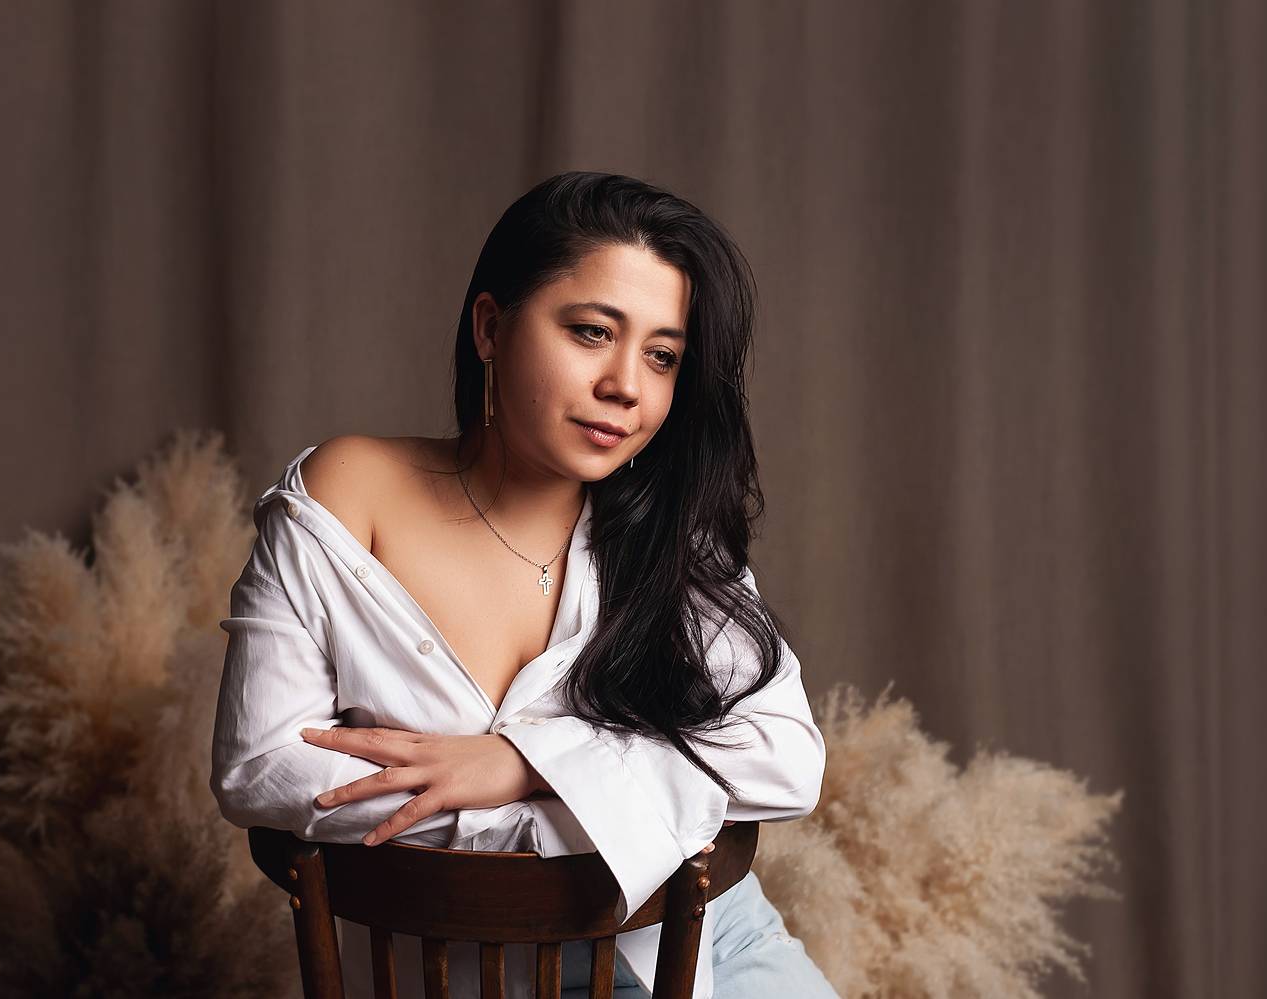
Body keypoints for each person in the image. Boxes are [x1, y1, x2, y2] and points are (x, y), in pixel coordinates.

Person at [211, 171, 839, 998]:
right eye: (591, 332)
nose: (626, 385)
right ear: (490, 326)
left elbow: (785, 758)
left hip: (702, 936)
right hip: (459, 969)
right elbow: (262, 768)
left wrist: (525, 764)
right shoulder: (350, 492)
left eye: (662, 356)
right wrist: (629, 798)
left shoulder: (666, 531)